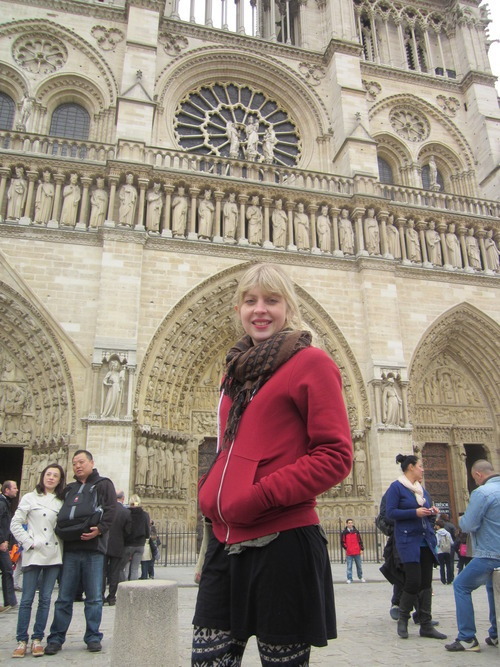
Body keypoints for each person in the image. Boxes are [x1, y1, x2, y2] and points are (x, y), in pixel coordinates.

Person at [191, 263, 353, 666]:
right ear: (238, 309)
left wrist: (256, 497)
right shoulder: (235, 373)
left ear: (289, 307)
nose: (260, 309)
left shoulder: (311, 363)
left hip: (282, 544)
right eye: (250, 301)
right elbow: (227, 454)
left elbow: (335, 456)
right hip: (224, 544)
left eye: (271, 300)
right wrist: (211, 509)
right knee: (207, 659)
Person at [45, 450, 116, 655]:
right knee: (64, 597)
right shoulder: (69, 489)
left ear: (92, 463)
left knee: (94, 597)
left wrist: (100, 530)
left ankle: (93, 636)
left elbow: (111, 509)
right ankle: (56, 638)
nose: (77, 466)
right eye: (74, 463)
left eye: (81, 462)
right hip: (71, 549)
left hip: (94, 549)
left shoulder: (103, 484)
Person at [385, 454, 446, 640]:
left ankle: (426, 624)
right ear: (410, 467)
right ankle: (403, 619)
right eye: (420, 466)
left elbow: (425, 513)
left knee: (426, 583)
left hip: (425, 540)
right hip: (408, 541)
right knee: (413, 581)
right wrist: (414, 512)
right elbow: (390, 513)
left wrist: (431, 512)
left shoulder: (421, 490)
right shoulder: (396, 487)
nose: (423, 469)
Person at [10, 464, 66, 658]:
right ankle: (21, 640)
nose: (51, 478)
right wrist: (29, 543)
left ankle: (37, 639)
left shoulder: (61, 501)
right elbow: (15, 523)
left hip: (53, 554)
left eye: (55, 476)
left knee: (45, 599)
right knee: (26, 599)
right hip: (34, 552)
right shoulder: (29, 497)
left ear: (60, 480)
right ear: (42, 476)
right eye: (48, 474)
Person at [445, 459, 500, 652]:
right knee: (493, 588)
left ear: (478, 474)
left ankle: (467, 638)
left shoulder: (482, 492)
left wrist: (462, 519)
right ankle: (495, 633)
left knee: (461, 585)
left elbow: (468, 525)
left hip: (490, 553)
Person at [102, 490, 131, 607]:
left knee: (102, 572)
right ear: (123, 498)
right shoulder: (126, 512)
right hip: (118, 545)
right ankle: (111, 597)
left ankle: (100, 596)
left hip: (104, 545)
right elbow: (128, 532)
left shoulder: (105, 509)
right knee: (115, 572)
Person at [0, 480, 19, 613]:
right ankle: (10, 601)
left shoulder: (6, 503)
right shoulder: (2, 503)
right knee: (7, 570)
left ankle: (10, 601)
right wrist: (2, 540)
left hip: (4, 542)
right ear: (7, 490)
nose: (17, 490)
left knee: (7, 570)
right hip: (1, 543)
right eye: (14, 488)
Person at [121, 494, 150, 581]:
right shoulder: (145, 515)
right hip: (140, 544)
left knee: (124, 568)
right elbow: (147, 530)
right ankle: (133, 586)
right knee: (135, 569)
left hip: (128, 544)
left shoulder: (126, 513)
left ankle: (124, 585)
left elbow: (124, 529)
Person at [341, 519, 365, 583]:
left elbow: (360, 540)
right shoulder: (344, 533)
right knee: (349, 566)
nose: (350, 524)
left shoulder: (356, 532)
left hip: (357, 551)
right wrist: (347, 548)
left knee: (359, 566)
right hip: (349, 552)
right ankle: (349, 578)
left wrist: (361, 549)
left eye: (351, 523)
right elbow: (342, 542)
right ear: (346, 524)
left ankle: (360, 577)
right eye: (349, 523)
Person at [435, 520, 454, 585]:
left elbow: (437, 543)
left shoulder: (437, 534)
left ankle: (443, 579)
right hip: (447, 551)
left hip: (440, 551)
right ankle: (449, 579)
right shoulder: (448, 533)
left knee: (442, 565)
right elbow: (451, 542)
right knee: (448, 565)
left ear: (438, 526)